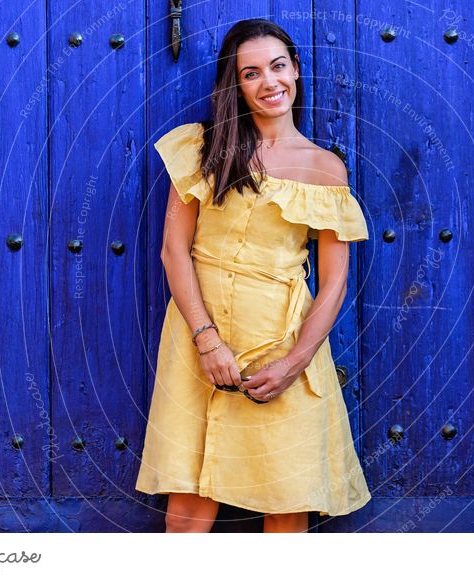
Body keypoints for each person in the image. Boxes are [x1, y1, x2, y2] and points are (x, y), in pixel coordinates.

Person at [135, 18, 371, 533]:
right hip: (199, 335)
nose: (270, 82)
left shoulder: (325, 168)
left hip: (278, 340)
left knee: (286, 501)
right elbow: (174, 251)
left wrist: (295, 362)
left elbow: (332, 283)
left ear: (297, 70)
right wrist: (206, 340)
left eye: (279, 66)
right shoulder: (204, 150)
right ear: (235, 84)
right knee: (188, 507)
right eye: (252, 72)